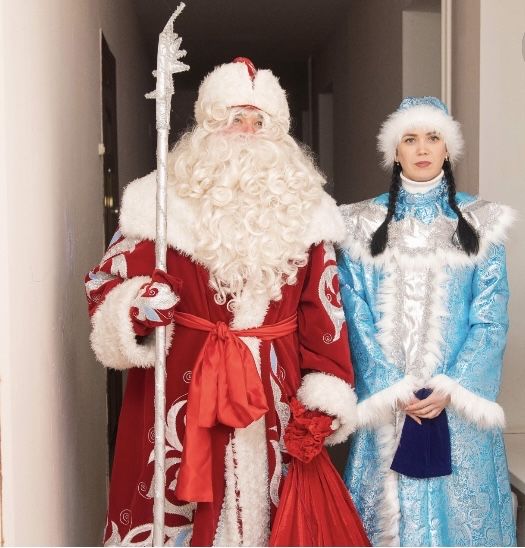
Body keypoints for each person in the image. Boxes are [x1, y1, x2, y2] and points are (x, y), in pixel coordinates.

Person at [85, 58, 359, 547]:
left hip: (274, 391)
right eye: (235, 118)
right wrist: (137, 305)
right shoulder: (158, 204)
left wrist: (324, 396)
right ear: (208, 126)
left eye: (259, 122)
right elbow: (106, 282)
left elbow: (325, 312)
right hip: (184, 384)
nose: (247, 132)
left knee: (274, 516)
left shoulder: (309, 212)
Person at [338, 96, 516, 546]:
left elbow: (491, 317)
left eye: (433, 138)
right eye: (410, 139)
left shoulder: (481, 223)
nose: (422, 148)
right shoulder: (360, 225)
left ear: (447, 148)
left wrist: (452, 387)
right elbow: (354, 314)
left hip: (458, 408)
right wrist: (391, 387)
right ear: (394, 151)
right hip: (389, 408)